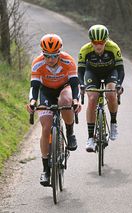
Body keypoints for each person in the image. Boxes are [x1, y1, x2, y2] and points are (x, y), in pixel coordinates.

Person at [26, 34, 81, 186]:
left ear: (59, 52)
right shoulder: (37, 63)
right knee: (46, 128)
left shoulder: (68, 60)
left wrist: (76, 100)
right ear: (43, 53)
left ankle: (70, 133)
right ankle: (45, 170)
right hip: (46, 92)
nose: (50, 59)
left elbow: (75, 84)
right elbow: (34, 87)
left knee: (65, 101)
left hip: (64, 88)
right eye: (47, 56)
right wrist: (32, 102)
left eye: (54, 56)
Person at [78, 24, 125, 152]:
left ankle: (113, 122)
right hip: (92, 73)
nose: (98, 46)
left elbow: (120, 69)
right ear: (91, 41)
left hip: (110, 72)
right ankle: (90, 138)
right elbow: (80, 71)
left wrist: (119, 84)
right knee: (92, 98)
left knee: (111, 94)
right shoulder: (85, 50)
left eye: (102, 42)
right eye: (95, 43)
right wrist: (82, 84)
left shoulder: (113, 48)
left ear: (106, 41)